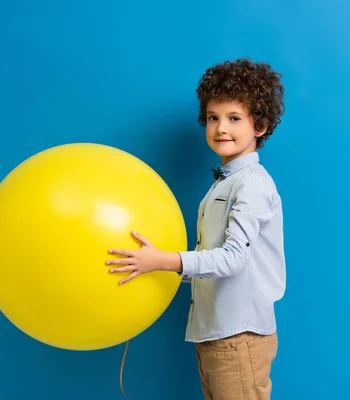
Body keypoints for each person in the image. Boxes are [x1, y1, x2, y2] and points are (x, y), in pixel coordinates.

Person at [106, 58, 286, 400]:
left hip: (238, 336)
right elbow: (212, 261)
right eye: (214, 118)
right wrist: (155, 263)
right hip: (215, 334)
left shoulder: (253, 185)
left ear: (259, 126)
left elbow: (232, 260)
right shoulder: (224, 183)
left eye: (235, 119)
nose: (221, 128)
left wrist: (164, 261)